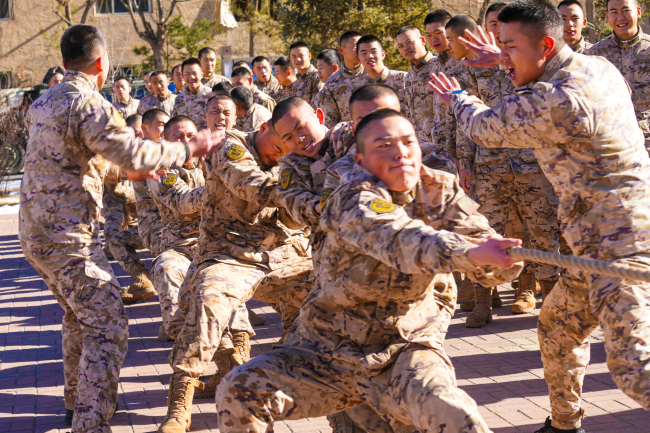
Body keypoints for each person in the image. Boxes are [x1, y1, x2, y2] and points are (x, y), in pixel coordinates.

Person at [215, 109, 523, 433]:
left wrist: (500, 261)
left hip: (403, 351)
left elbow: (490, 263)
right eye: (384, 146)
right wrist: (470, 252)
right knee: (240, 389)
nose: (400, 152)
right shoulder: (349, 196)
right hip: (326, 351)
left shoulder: (440, 191)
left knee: (455, 413)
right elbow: (397, 237)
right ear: (361, 161)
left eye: (408, 142)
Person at [429, 1, 650, 431]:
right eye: (500, 45)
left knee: (634, 371)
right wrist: (506, 57)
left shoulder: (554, 99)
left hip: (620, 246)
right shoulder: (598, 66)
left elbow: (486, 128)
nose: (501, 55)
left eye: (508, 46)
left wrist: (458, 96)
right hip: (599, 239)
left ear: (545, 46)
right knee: (557, 328)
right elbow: (539, 71)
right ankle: (564, 424)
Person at [19, 23, 224, 433]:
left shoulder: (42, 104)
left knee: (79, 318)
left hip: (37, 236)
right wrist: (190, 146)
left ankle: (76, 400)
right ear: (102, 62)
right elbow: (131, 149)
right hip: (70, 239)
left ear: (64, 61)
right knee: (107, 327)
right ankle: (90, 424)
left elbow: (74, 157)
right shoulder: (89, 103)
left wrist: (121, 174)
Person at [158, 104, 314, 433]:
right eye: (277, 145)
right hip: (229, 253)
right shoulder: (230, 145)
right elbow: (250, 183)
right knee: (207, 312)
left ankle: (280, 370)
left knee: (329, 291)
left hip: (279, 252)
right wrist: (300, 198)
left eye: (288, 147)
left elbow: (291, 217)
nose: (280, 154)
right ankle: (179, 406)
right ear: (265, 128)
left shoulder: (299, 155)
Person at [447, 13, 560, 326]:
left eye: (500, 23)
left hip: (531, 163)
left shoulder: (522, 60)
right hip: (490, 165)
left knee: (541, 230)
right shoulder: (472, 68)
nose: (496, 29)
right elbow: (464, 120)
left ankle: (550, 300)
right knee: (487, 229)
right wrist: (465, 162)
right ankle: (484, 302)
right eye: (492, 23)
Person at [147, 115, 204, 344]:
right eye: (178, 136)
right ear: (165, 140)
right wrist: (220, 189)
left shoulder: (213, 161)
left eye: (190, 135)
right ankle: (183, 339)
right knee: (166, 268)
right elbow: (183, 203)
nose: (185, 141)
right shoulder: (161, 169)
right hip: (180, 247)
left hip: (216, 243)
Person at [586, 0, 650, 153]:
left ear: (638, 12)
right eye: (614, 12)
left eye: (625, 10)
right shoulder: (595, 55)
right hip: (613, 148)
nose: (620, 17)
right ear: (608, 17)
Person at [133, 109, 168, 339]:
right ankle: (170, 322)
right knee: (167, 268)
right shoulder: (143, 154)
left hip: (172, 220)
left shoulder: (169, 150)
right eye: (159, 125)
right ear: (144, 129)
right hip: (155, 224)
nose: (163, 130)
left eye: (167, 124)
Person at [424, 9, 464, 168]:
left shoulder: (463, 63)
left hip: (460, 152)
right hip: (437, 150)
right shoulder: (433, 66)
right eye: (428, 35)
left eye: (438, 33)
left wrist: (457, 154)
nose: (433, 39)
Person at [315, 31, 365, 128]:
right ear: (342, 50)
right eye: (355, 47)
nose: (360, 50)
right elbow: (330, 123)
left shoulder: (372, 74)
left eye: (362, 46)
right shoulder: (332, 83)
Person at [397, 25, 438, 143]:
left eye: (409, 42)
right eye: (401, 46)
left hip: (441, 145)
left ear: (422, 40)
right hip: (419, 145)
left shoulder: (439, 67)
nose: (406, 48)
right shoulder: (408, 76)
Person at [356, 35, 406, 109]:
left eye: (374, 52)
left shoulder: (403, 79)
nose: (369, 56)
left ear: (383, 54)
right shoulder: (358, 87)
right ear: (358, 59)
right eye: (364, 53)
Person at [173, 57, 213, 130]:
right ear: (182, 76)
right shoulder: (179, 98)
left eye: (194, 73)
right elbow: (175, 122)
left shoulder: (211, 95)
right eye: (187, 74)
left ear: (201, 74)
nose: (191, 77)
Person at [289, 41, 322, 108]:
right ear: (290, 59)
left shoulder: (318, 77)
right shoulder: (295, 83)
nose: (297, 59)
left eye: (301, 56)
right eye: (294, 57)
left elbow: (317, 106)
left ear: (309, 56)